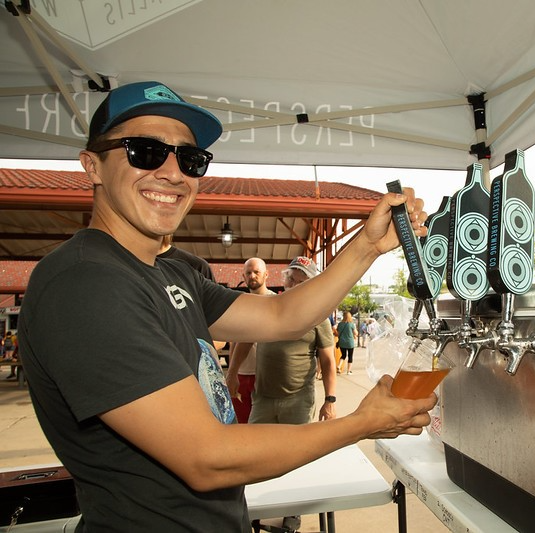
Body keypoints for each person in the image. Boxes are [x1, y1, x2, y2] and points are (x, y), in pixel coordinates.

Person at [18, 80, 433, 532]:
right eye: (145, 151)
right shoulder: (85, 283)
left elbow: (281, 315)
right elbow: (208, 458)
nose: (174, 173)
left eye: (190, 159)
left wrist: (367, 248)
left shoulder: (171, 268)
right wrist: (362, 423)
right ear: (92, 166)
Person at [228, 256, 337, 425]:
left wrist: (330, 400)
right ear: (285, 278)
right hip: (263, 399)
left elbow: (328, 360)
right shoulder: (269, 306)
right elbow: (246, 342)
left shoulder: (318, 316)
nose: (295, 286)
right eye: (291, 279)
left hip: (298, 401)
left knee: (295, 450)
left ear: (311, 285)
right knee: (256, 448)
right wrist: (232, 372)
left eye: (302, 282)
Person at [227, 257, 275, 423]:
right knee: (242, 423)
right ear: (243, 276)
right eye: (248, 273)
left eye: (256, 272)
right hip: (241, 375)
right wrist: (231, 374)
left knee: (263, 426)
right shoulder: (240, 303)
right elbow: (235, 340)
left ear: (266, 274)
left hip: (265, 377)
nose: (252, 276)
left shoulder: (275, 302)